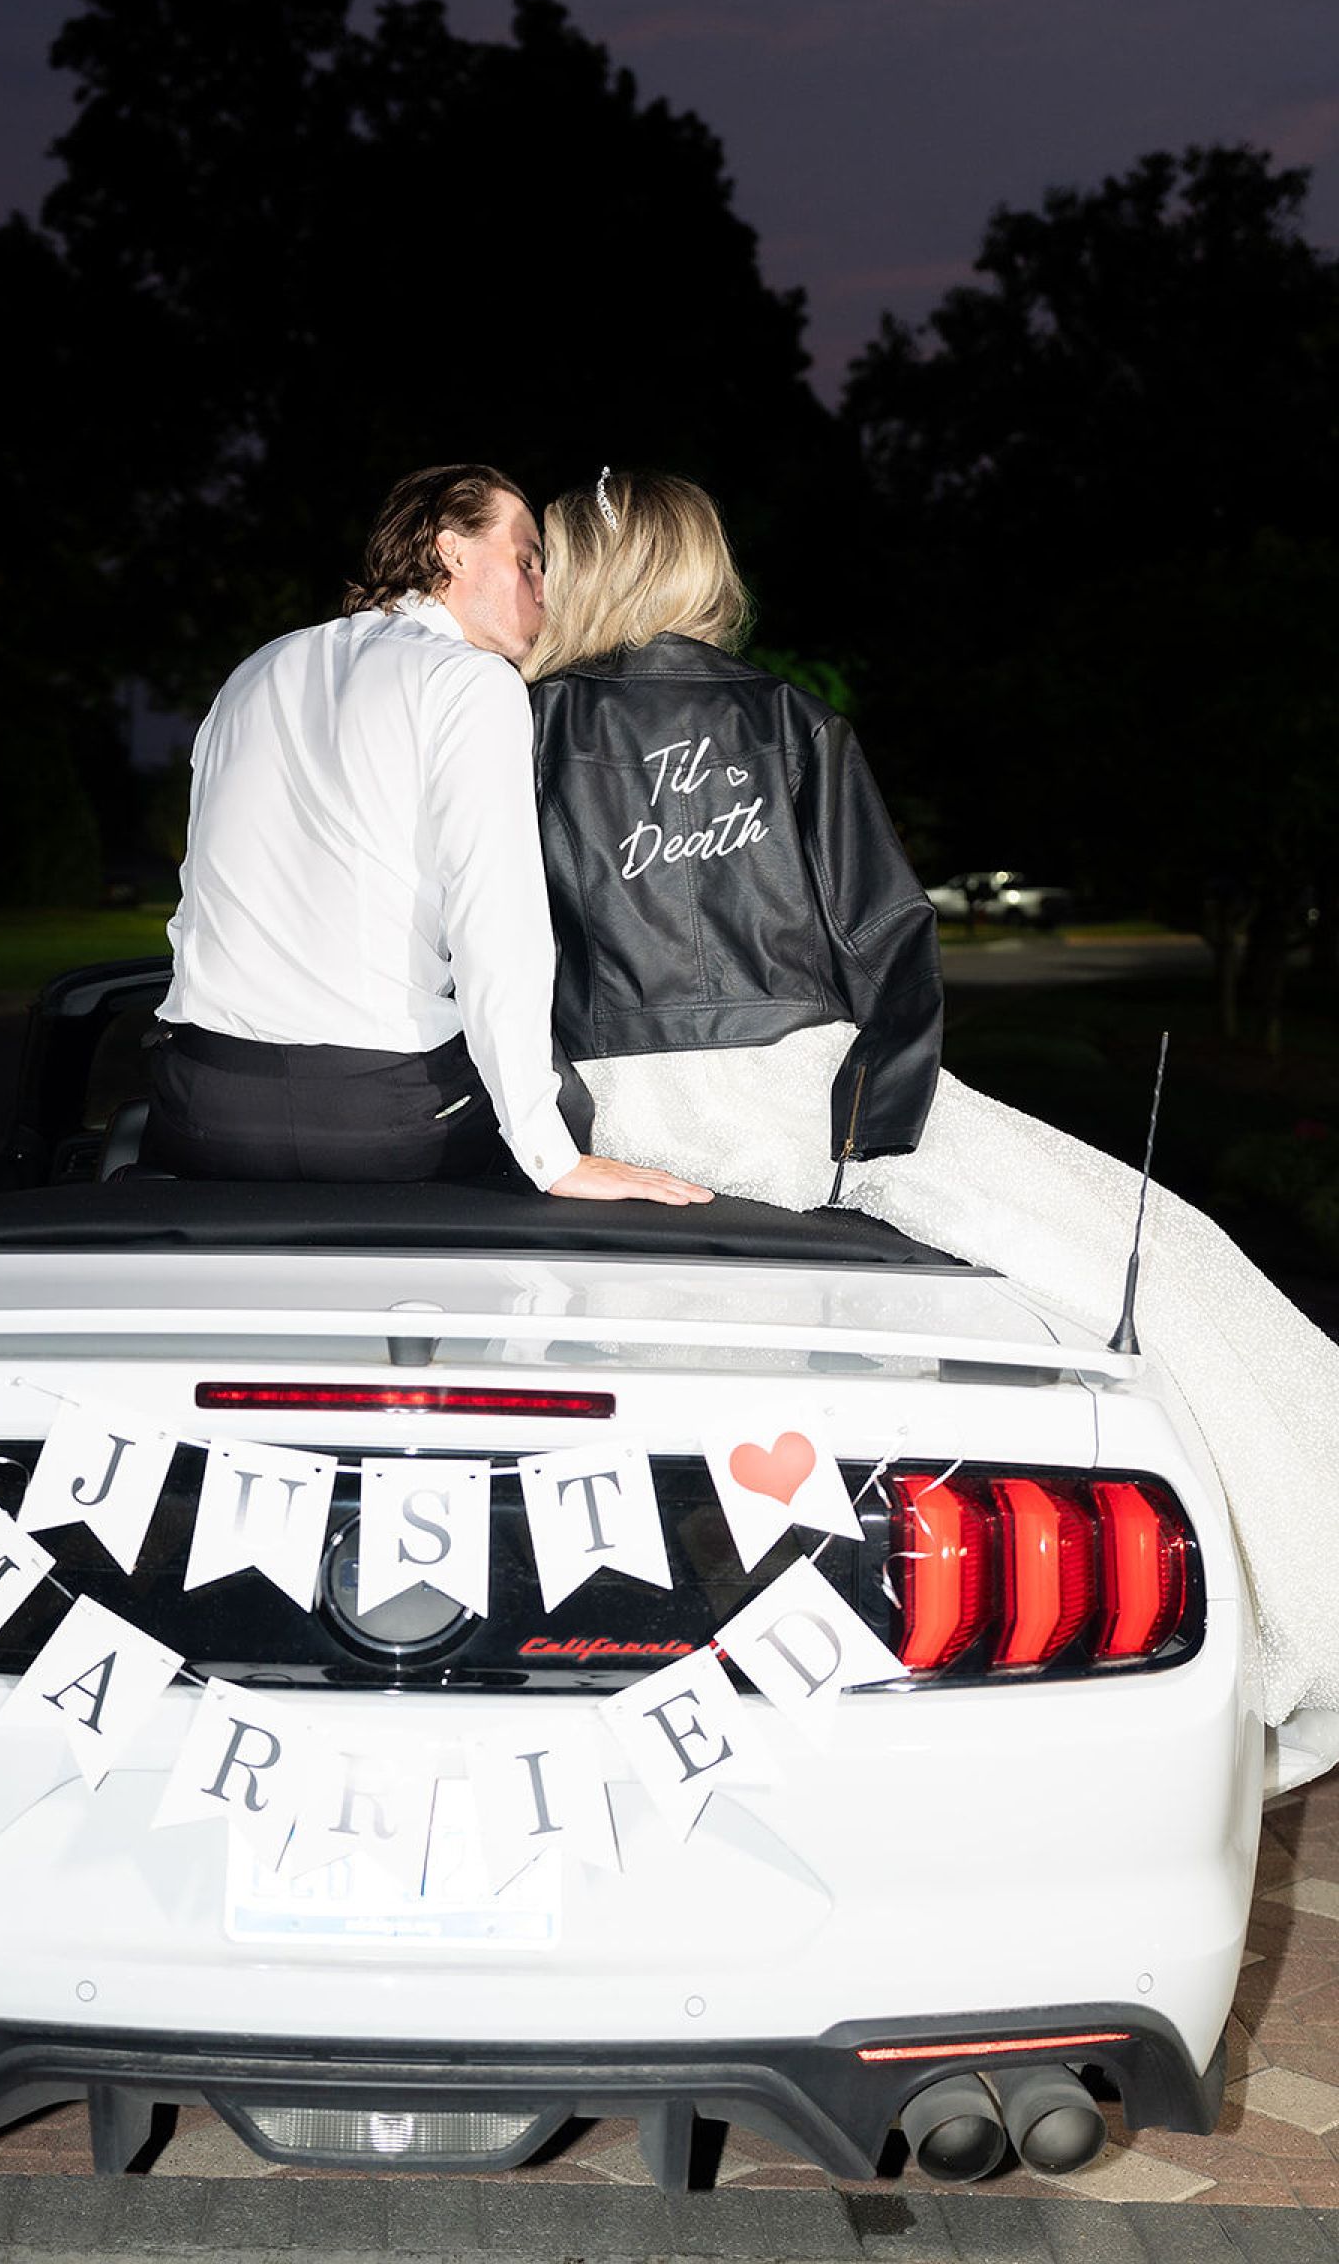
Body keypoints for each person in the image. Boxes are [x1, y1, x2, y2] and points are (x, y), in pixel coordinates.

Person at [525, 467, 1339, 1732]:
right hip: (807, 1089)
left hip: (612, 1100)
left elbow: (500, 950)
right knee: (1145, 1263)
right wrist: (868, 1134)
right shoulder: (791, 720)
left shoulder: (520, 726)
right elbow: (889, 936)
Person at [145, 461, 710, 1206]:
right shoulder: (470, 683)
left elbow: (197, 901)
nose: (545, 587)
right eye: (529, 558)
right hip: (378, 1118)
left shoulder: (255, 670)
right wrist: (552, 1155)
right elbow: (496, 927)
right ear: (451, 551)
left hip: (204, 1106)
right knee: (602, 1103)